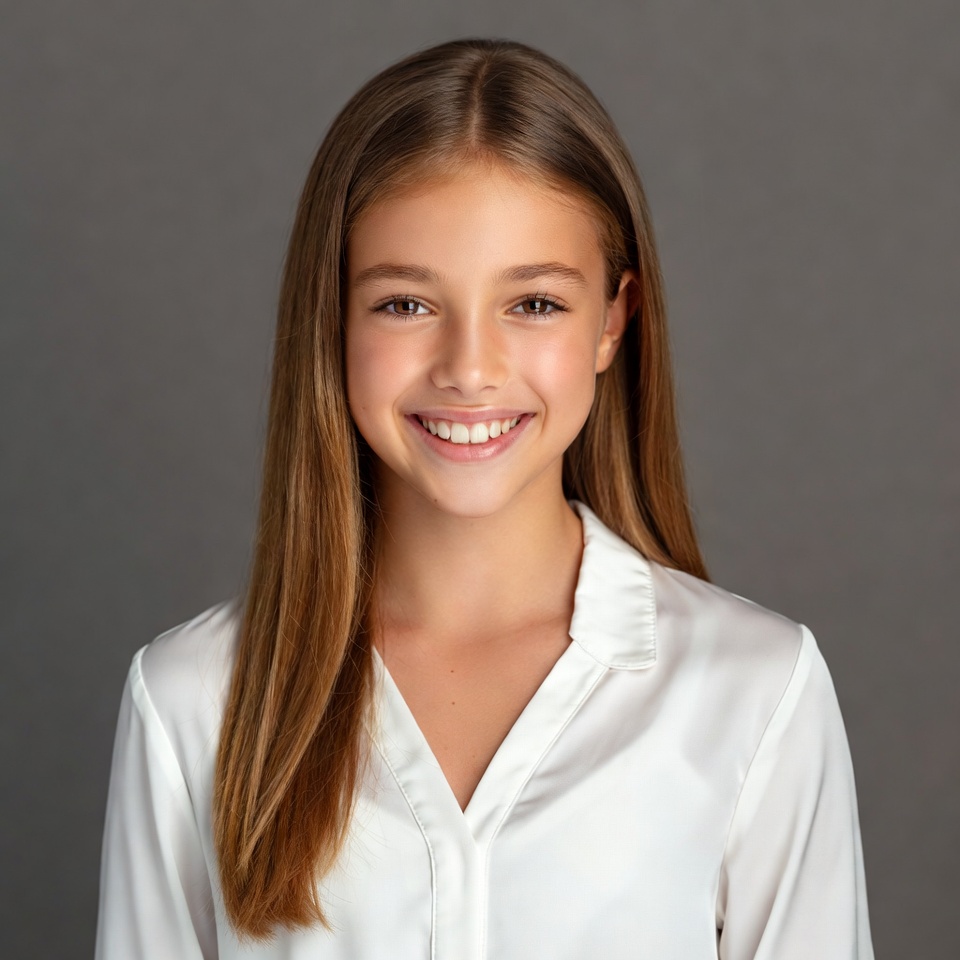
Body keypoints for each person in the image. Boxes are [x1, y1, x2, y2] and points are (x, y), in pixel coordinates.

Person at [94, 38, 875, 960]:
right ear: (333, 318)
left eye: (534, 303)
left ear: (614, 322)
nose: (469, 369)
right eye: (405, 304)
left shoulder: (754, 692)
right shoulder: (194, 703)